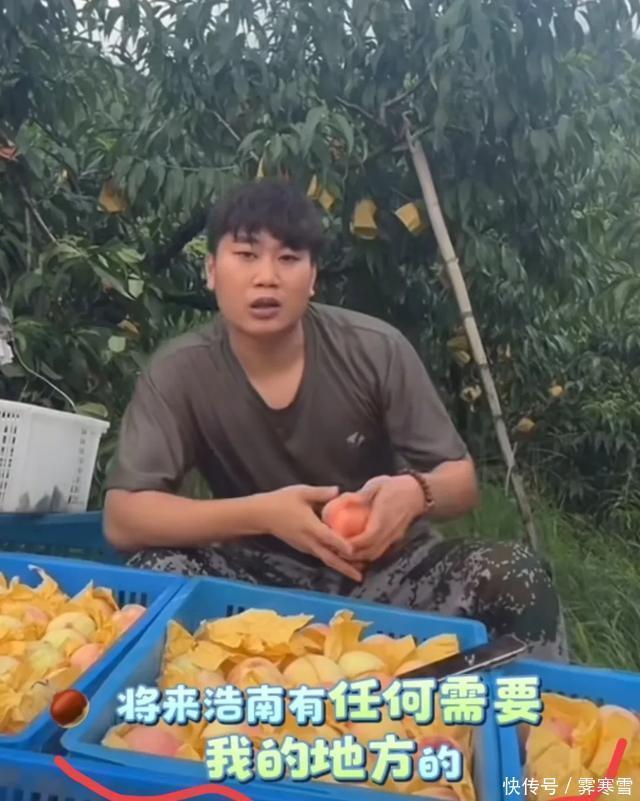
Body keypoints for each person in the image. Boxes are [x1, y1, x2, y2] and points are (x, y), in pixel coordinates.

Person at [104, 178, 568, 662]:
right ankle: (203, 700)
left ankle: (545, 706)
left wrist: (416, 493)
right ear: (211, 271)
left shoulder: (374, 349)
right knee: (154, 569)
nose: (267, 277)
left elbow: (461, 482)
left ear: (312, 277)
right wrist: (262, 514)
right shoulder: (180, 372)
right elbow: (124, 518)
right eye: (246, 255)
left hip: (386, 570)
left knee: (515, 574)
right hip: (255, 581)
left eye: (288, 258)